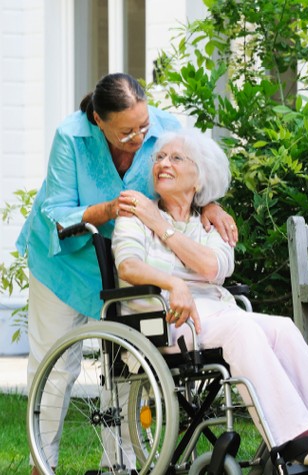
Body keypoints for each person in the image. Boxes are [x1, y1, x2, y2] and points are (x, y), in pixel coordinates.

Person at [111, 128, 308, 469]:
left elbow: (212, 267)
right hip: (163, 319)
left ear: (199, 179)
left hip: (213, 313)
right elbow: (128, 265)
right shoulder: (137, 214)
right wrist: (172, 282)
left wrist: (164, 228)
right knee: (241, 329)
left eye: (176, 158)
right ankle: (295, 441)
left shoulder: (213, 224)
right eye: (159, 158)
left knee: (282, 328)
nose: (163, 164)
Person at [16, 73, 237, 474]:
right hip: (63, 263)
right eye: (126, 132)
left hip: (126, 259)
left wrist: (209, 205)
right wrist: (107, 210)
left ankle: (120, 465)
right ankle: (41, 465)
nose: (138, 137)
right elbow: (57, 211)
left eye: (143, 126)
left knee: (126, 365)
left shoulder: (165, 127)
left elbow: (193, 173)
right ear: (99, 121)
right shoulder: (71, 137)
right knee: (56, 368)